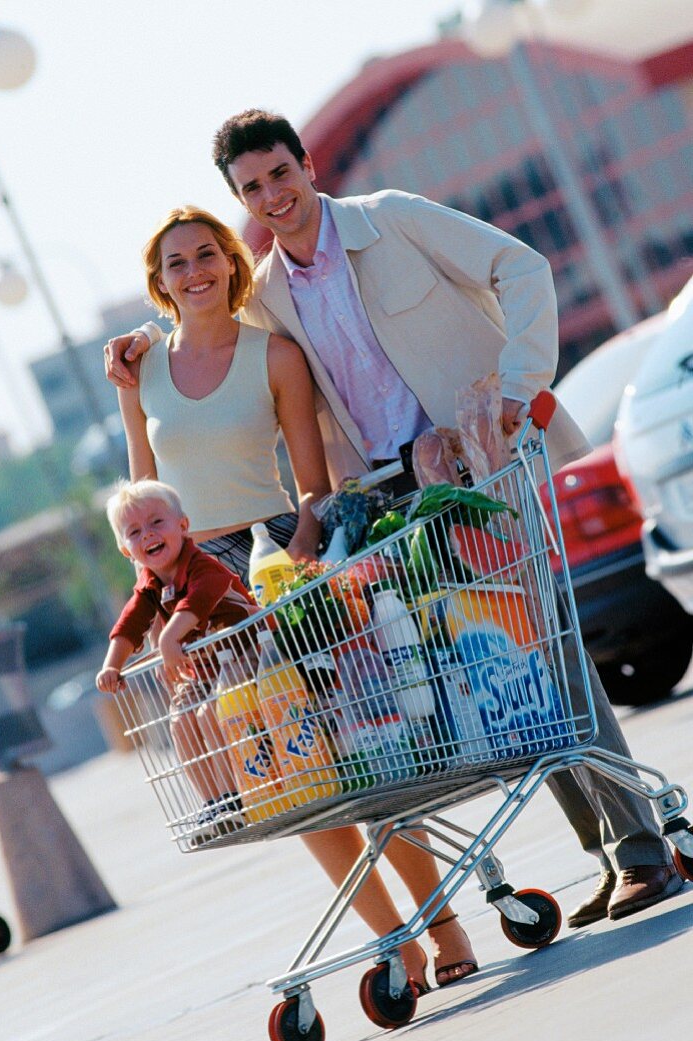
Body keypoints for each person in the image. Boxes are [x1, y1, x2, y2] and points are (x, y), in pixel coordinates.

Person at [105, 110, 683, 929]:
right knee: (498, 665)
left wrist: (518, 388)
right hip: (388, 502)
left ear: (306, 164)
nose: (273, 196)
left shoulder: (392, 219)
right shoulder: (267, 294)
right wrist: (141, 338)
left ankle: (639, 852)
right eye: (252, 188)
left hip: (483, 464)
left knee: (544, 641)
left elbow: (519, 269)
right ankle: (605, 855)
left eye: (280, 173)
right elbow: (208, 335)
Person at [105, 203, 477, 991]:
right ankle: (394, 944)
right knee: (287, 776)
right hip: (193, 582)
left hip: (272, 565)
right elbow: (141, 496)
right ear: (158, 282)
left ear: (231, 264)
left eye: (207, 254)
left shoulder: (273, 355)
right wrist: (152, 603)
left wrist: (300, 558)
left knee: (353, 757)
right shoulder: (138, 372)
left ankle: (441, 926)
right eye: (177, 262)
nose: (195, 270)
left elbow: (312, 486)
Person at [97, 478, 257, 825]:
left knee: (209, 713)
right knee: (181, 721)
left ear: (183, 527)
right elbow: (129, 624)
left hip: (250, 653)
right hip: (205, 669)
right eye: (134, 532)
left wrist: (169, 638)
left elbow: (196, 601)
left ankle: (237, 797)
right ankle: (216, 801)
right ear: (127, 551)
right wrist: (112, 664)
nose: (148, 535)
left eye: (157, 522)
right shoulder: (149, 585)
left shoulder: (204, 566)